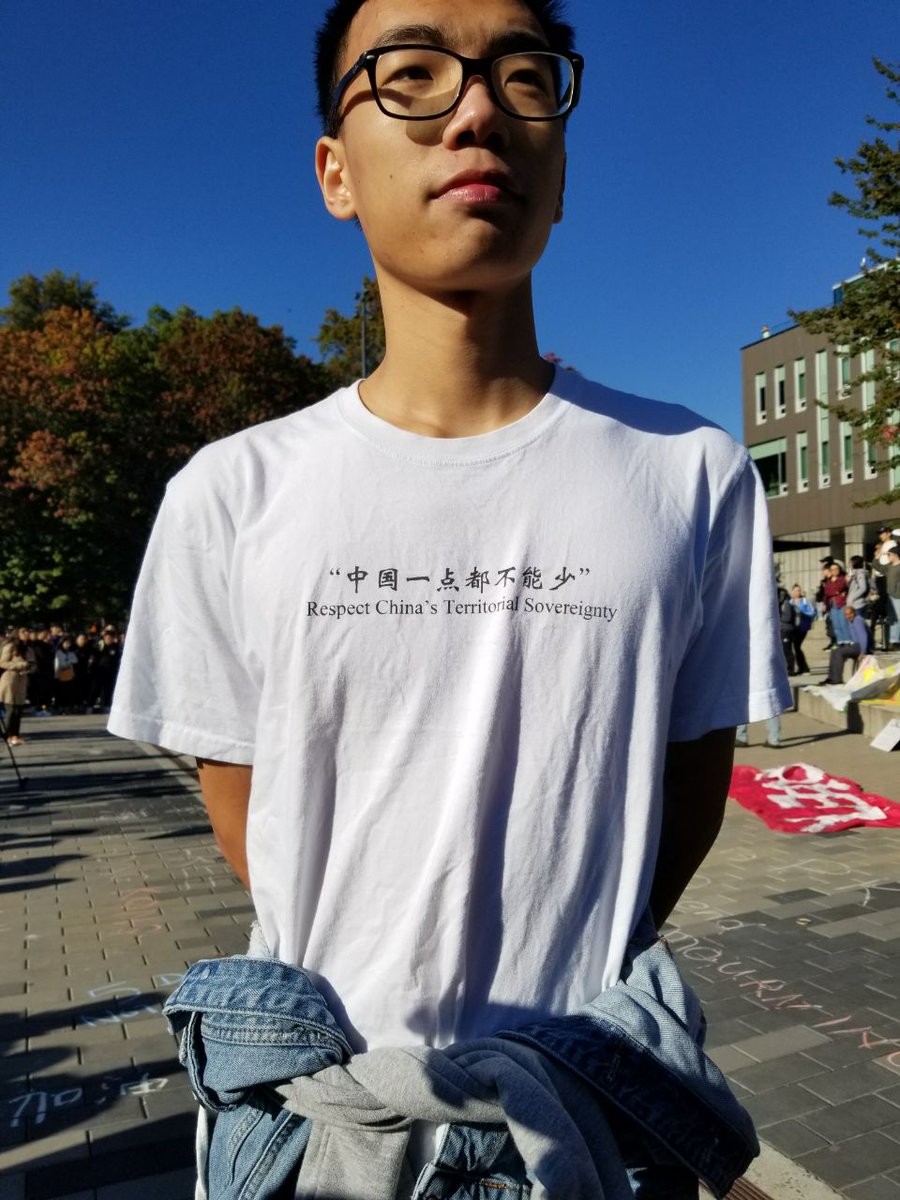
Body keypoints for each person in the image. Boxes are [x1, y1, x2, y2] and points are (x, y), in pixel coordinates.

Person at [109, 0, 790, 1192]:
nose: (477, 109)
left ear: (562, 164)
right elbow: (247, 815)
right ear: (335, 171)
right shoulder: (230, 492)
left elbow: (685, 792)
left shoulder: (691, 473)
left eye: (524, 77)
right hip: (314, 1127)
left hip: (583, 1121)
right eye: (412, 73)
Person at [0, 629, 37, 745]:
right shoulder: (10, 646)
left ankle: (15, 735)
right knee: (11, 710)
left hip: (22, 680)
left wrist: (30, 667)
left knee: (19, 710)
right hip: (10, 679)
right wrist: (20, 664)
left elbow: (33, 663)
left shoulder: (28, 648)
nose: (26, 634)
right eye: (23, 632)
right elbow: (2, 663)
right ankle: (6, 735)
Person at [824, 605, 872, 685]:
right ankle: (831, 677)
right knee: (834, 650)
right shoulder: (851, 621)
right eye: (846, 614)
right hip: (855, 645)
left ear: (854, 613)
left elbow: (864, 637)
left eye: (849, 614)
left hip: (861, 647)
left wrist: (862, 653)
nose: (847, 616)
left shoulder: (858, 621)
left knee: (839, 652)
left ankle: (836, 679)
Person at [789, 583, 814, 674]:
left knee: (797, 646)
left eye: (799, 590)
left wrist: (802, 612)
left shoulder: (804, 601)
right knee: (796, 647)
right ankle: (801, 667)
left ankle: (804, 668)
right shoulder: (790, 602)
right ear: (792, 591)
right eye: (795, 590)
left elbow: (811, 612)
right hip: (793, 628)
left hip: (803, 628)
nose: (797, 592)